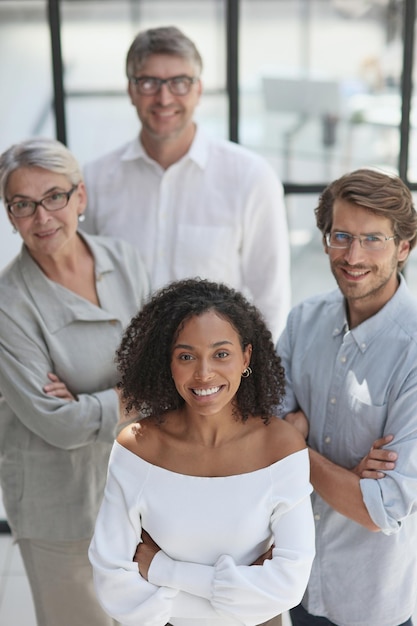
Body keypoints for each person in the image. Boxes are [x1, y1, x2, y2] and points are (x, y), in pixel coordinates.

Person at [88, 278, 315, 626]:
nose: (204, 373)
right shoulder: (137, 448)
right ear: (168, 361)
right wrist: (240, 597)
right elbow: (112, 584)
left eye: (221, 354)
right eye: (186, 356)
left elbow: (289, 585)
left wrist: (164, 569)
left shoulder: (280, 448)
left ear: (246, 357)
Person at [0, 137, 150, 626]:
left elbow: (168, 364)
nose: (41, 218)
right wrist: (137, 393)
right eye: (22, 205)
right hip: (58, 503)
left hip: (137, 488)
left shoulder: (124, 259)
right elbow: (58, 424)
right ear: (10, 215)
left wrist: (91, 401)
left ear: (79, 197)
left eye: (54, 197)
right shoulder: (9, 303)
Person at [81, 25, 290, 343]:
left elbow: (270, 298)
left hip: (217, 381)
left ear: (198, 89)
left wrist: (250, 382)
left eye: (179, 82)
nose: (164, 98)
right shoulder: (95, 180)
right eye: (149, 82)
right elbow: (80, 287)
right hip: (119, 378)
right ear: (131, 90)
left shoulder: (251, 177)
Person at [276, 168, 417, 626]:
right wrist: (347, 476)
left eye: (372, 239)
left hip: (371, 602)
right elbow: (255, 439)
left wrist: (295, 448)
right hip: (293, 581)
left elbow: (382, 508)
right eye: (341, 236)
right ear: (325, 240)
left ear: (404, 247)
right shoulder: (302, 321)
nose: (353, 256)